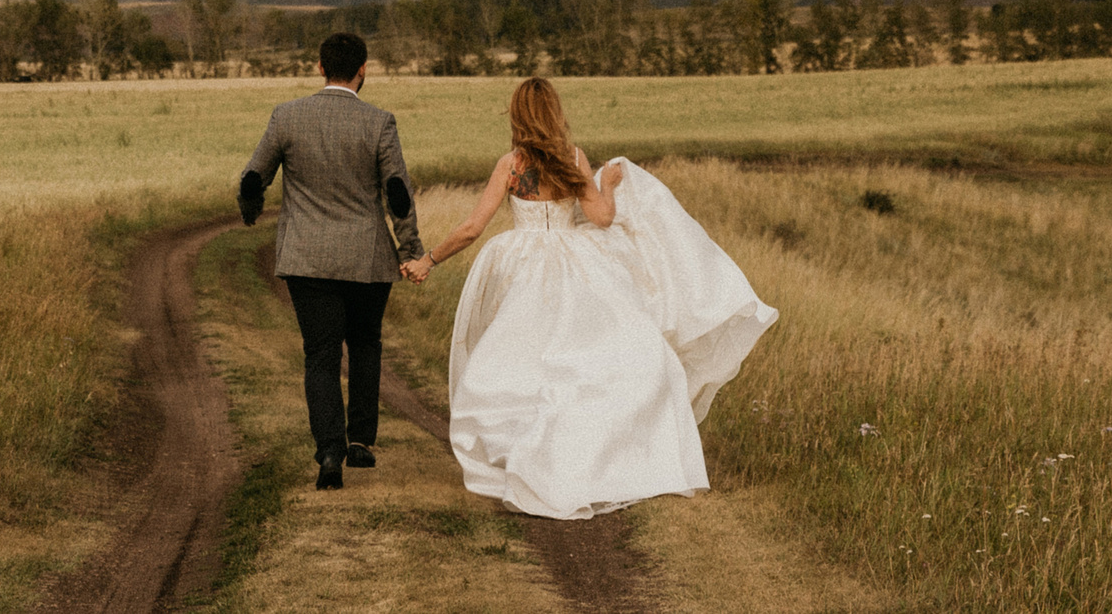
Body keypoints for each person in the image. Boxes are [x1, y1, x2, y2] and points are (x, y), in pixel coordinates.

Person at [405, 77, 777, 520]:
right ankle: (586, 451)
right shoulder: (574, 158)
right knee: (581, 356)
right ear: (555, 113)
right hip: (575, 262)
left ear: (518, 115)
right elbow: (601, 217)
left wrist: (428, 260)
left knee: (522, 358)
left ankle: (524, 449)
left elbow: (472, 227)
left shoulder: (511, 164)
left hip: (523, 264)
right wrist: (612, 184)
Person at [238, 31, 424, 490]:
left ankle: (328, 453)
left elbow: (253, 176)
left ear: (320, 68)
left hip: (307, 259)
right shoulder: (379, 123)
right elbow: (397, 194)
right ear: (364, 69)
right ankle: (360, 441)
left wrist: (250, 208)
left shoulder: (287, 117)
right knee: (364, 345)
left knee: (320, 356)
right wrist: (411, 250)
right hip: (367, 258)